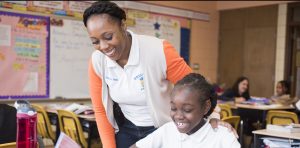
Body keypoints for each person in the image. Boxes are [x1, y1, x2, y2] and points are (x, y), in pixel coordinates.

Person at [84, 1, 235, 148]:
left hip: (163, 129)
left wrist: (213, 116)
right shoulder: (98, 61)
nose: (103, 46)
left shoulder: (158, 50)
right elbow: (101, 110)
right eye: (95, 41)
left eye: (108, 37)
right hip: (128, 128)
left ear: (123, 25)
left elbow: (196, 88)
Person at [132, 73, 240, 148]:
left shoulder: (223, 136)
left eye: (187, 110)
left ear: (206, 107)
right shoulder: (167, 130)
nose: (178, 116)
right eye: (173, 108)